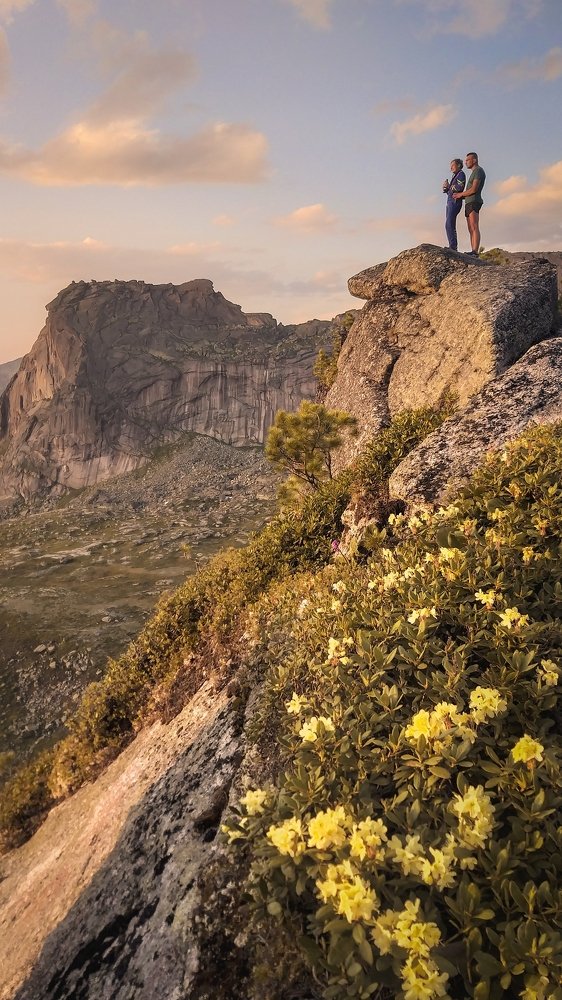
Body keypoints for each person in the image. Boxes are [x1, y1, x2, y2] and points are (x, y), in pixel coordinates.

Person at [453, 152, 486, 256]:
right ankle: (473, 250)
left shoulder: (478, 171)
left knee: (474, 226)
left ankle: (475, 252)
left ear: (474, 160)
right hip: (468, 202)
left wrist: (460, 194)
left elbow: (474, 189)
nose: (466, 162)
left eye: (468, 160)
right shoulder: (473, 172)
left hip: (474, 201)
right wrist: (461, 195)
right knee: (470, 228)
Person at [442, 158, 466, 251]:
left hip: (455, 202)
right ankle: (452, 245)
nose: (451, 167)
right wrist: (446, 189)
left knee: (449, 223)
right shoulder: (454, 176)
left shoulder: (461, 174)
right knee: (448, 224)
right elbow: (451, 191)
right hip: (450, 201)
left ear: (459, 165)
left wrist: (450, 187)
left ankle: (453, 247)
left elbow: (460, 187)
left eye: (453, 165)